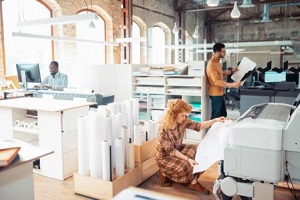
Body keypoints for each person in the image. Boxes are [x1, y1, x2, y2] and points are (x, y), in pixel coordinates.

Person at [155, 99, 226, 194]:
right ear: (173, 115)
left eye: (185, 115)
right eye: (182, 116)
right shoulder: (163, 128)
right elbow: (171, 151)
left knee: (199, 150)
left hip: (178, 148)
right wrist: (188, 159)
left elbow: (199, 126)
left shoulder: (183, 121)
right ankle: (163, 172)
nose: (184, 118)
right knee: (186, 165)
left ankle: (193, 182)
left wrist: (215, 120)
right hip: (165, 156)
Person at [206, 43, 241, 119]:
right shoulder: (211, 64)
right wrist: (232, 85)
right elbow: (216, 81)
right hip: (215, 94)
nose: (224, 53)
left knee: (223, 115)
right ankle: (212, 130)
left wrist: (232, 71)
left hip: (220, 93)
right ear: (218, 52)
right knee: (216, 116)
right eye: (223, 52)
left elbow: (220, 74)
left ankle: (220, 130)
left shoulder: (217, 62)